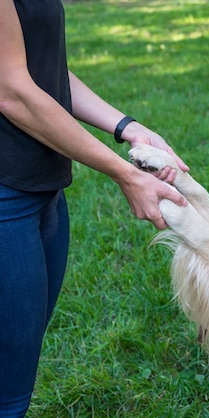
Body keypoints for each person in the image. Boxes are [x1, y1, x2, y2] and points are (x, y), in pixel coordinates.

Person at [0, 1, 189, 416]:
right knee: (7, 395)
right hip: (5, 196)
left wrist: (127, 126)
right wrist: (127, 174)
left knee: (15, 373)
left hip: (41, 189)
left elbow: (43, 70)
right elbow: (12, 91)